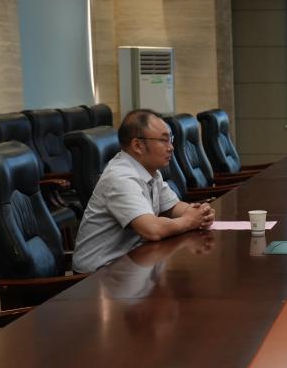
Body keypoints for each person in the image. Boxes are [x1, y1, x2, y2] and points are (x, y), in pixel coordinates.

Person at [73, 109, 215, 273]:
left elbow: (172, 207)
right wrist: (189, 221)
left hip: (131, 261)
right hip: (97, 276)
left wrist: (199, 212)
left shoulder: (150, 171)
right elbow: (152, 230)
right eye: (164, 140)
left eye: (171, 139)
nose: (171, 147)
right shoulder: (120, 178)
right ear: (138, 146)